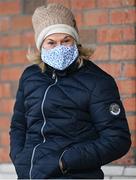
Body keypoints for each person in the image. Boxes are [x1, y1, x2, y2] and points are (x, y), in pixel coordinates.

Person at [9, 3, 131, 179]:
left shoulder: (98, 82)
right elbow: (18, 125)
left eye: (66, 40)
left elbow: (117, 140)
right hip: (29, 175)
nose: (60, 47)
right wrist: (20, 158)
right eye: (51, 42)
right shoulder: (30, 77)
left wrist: (65, 161)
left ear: (76, 41)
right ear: (41, 45)